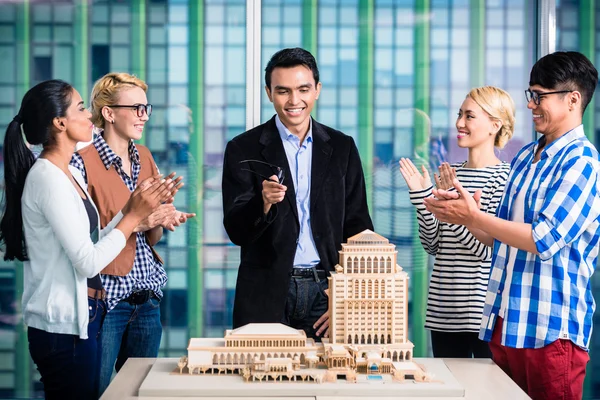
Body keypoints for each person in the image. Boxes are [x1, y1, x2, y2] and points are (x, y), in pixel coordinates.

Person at [423, 51, 599, 399]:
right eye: (530, 95)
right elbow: (496, 237)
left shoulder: (582, 162)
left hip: (550, 332)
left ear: (573, 99)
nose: (532, 105)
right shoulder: (525, 158)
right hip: (506, 325)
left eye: (540, 96)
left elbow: (543, 239)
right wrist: (459, 213)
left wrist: (473, 215)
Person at [0, 79, 175, 399]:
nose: (88, 116)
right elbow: (88, 261)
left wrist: (140, 216)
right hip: (62, 326)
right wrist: (134, 217)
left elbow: (91, 243)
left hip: (76, 320)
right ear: (60, 122)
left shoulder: (65, 174)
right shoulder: (49, 178)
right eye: (81, 109)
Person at [222, 47, 373, 340]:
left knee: (326, 382)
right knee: (264, 381)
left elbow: (358, 227)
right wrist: (263, 203)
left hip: (326, 292)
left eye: (303, 89)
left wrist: (346, 295)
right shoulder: (243, 148)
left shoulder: (342, 148)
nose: (294, 101)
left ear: (317, 89)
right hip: (265, 291)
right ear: (269, 93)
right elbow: (236, 231)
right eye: (283, 91)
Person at [70, 72, 194, 395]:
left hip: (147, 300)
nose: (144, 115)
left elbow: (149, 238)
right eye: (136, 108)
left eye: (146, 108)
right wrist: (136, 220)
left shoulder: (145, 157)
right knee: (95, 392)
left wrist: (161, 219)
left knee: (138, 393)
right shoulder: (81, 164)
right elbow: (81, 243)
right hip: (106, 301)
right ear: (109, 113)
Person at [399, 86, 515, 358]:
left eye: (470, 116)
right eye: (459, 114)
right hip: (442, 311)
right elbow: (432, 244)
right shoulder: (452, 174)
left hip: (483, 314)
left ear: (494, 125)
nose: (459, 123)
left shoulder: (504, 178)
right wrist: (422, 199)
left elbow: (485, 249)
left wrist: (453, 212)